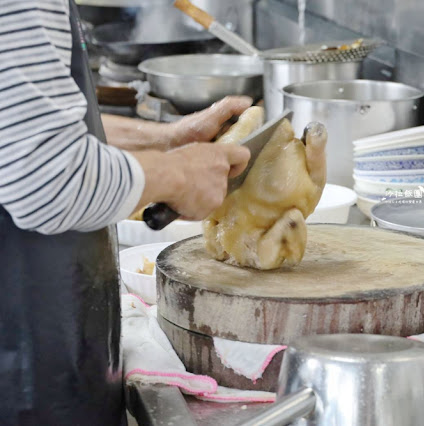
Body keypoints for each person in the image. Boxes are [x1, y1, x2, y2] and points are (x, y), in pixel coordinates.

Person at [0, 1, 252, 424]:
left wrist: (167, 141)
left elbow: (33, 122)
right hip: (23, 373)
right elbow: (48, 176)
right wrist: (177, 175)